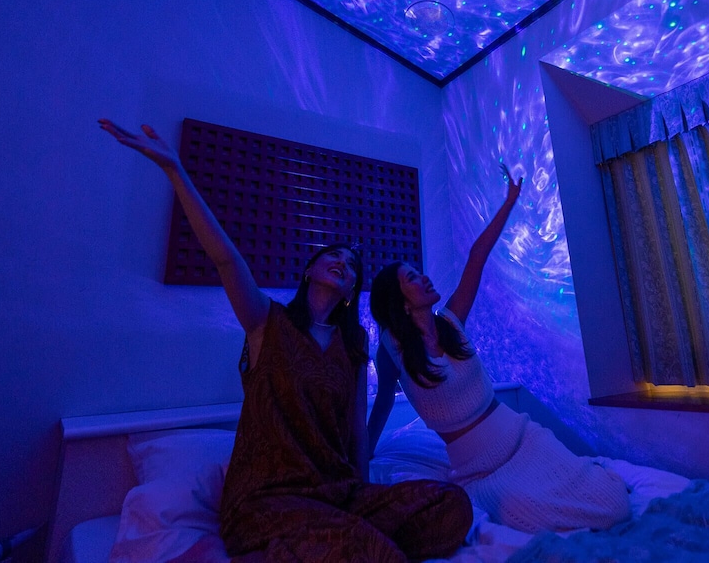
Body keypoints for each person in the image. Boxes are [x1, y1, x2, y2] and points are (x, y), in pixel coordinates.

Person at [99, 120, 472, 562]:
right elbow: (224, 258)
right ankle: (309, 546)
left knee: (450, 505)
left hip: (338, 494)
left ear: (351, 290)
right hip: (267, 502)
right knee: (371, 550)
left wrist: (365, 495)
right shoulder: (267, 323)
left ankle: (321, 545)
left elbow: (357, 428)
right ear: (309, 270)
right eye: (333, 255)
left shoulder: (353, 344)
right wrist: (175, 170)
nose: (343, 262)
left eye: (352, 266)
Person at [367, 164, 631, 534]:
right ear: (401, 303)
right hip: (481, 470)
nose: (424, 277)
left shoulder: (451, 322)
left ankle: (594, 476)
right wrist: (362, 457)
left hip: (524, 438)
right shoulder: (392, 351)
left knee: (612, 504)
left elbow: (477, 256)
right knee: (531, 516)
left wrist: (510, 201)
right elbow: (382, 403)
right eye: (412, 277)